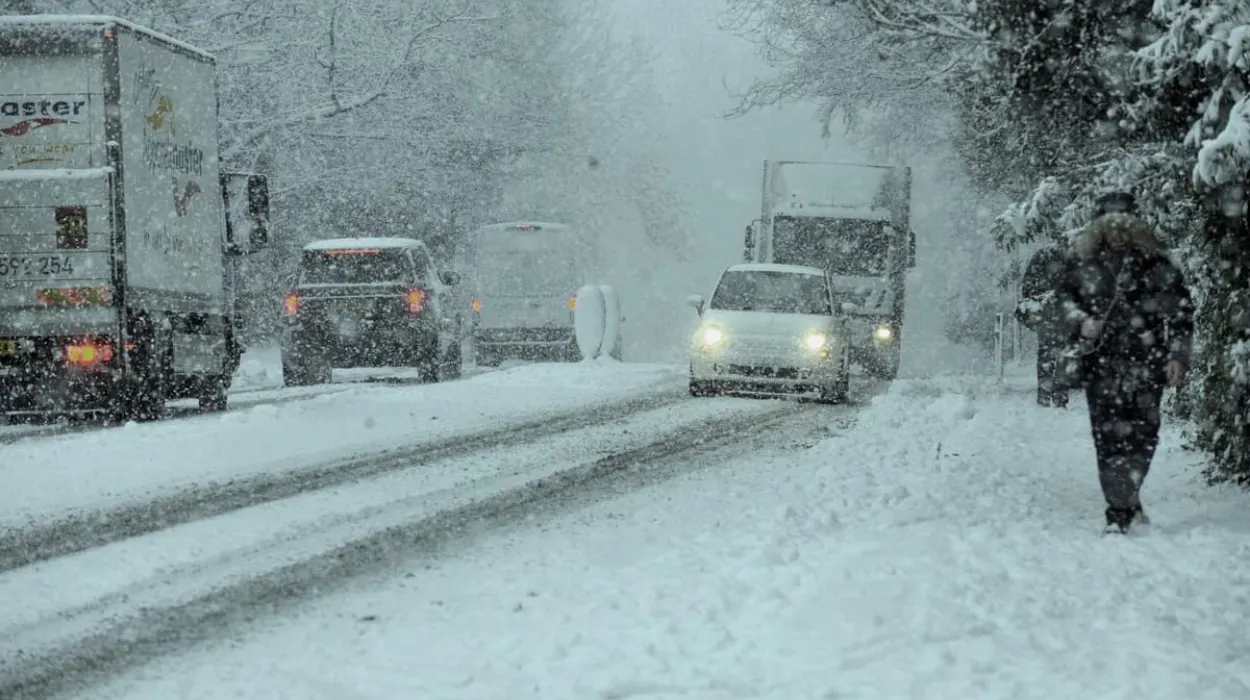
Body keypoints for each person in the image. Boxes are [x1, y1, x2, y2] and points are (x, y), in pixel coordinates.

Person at [1057, 192, 1194, 534]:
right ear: (1098, 229)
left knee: (1145, 437)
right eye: (1110, 227)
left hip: (1148, 363)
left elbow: (1180, 311)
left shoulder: (1156, 263)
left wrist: (1178, 355)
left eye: (1124, 227)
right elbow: (1062, 305)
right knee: (1107, 439)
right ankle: (1118, 512)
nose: (1117, 234)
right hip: (1100, 364)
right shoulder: (1082, 263)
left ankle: (1128, 497)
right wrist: (1081, 322)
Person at [1015, 242, 1073, 407]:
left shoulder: (1041, 257)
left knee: (1048, 354)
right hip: (1060, 315)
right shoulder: (1070, 258)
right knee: (1063, 355)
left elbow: (1027, 286)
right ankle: (1059, 396)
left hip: (1048, 316)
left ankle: (1046, 394)